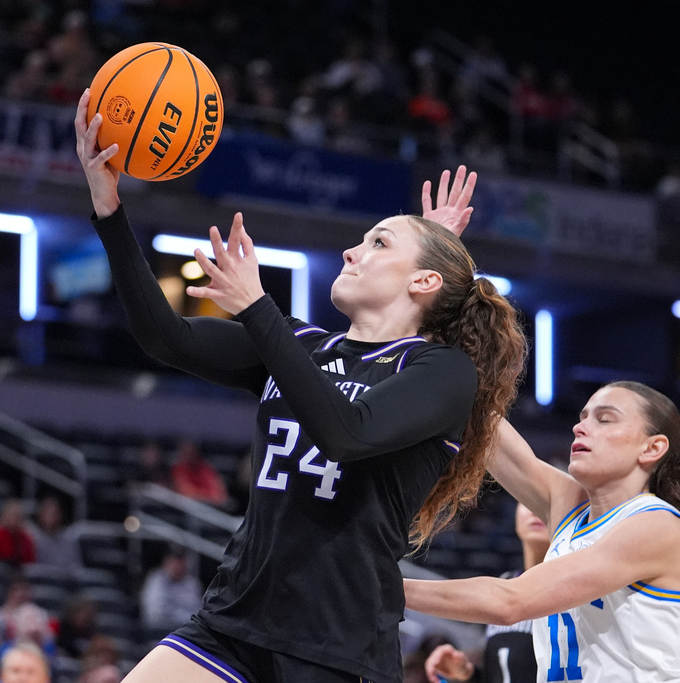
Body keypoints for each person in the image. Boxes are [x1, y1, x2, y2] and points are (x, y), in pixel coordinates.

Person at [76, 88, 525, 683]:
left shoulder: (442, 373)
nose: (351, 249)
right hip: (233, 621)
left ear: (423, 282)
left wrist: (258, 306)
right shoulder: (303, 345)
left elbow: (346, 432)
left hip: (336, 648)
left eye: (377, 242)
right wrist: (110, 211)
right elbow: (166, 338)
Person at [405, 381, 680, 682]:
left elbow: (510, 601)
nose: (581, 428)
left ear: (652, 447)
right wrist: (435, 357)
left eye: (604, 419)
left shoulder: (658, 526)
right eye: (583, 418)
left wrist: (386, 586)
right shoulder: (572, 508)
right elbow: (481, 425)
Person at [422, 503, 550, 683]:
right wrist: (466, 674)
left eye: (544, 499)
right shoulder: (503, 583)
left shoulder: (580, 591)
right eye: (526, 499)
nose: (534, 508)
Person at [139, 546, 204, 638]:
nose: (177, 565)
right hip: (158, 630)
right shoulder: (156, 579)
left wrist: (173, 612)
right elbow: (155, 612)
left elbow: (196, 613)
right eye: (174, 561)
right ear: (166, 563)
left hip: (185, 631)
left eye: (180, 562)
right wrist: (180, 614)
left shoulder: (192, 583)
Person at [168, 439, 229, 508]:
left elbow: (219, 495)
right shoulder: (177, 469)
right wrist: (206, 495)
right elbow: (186, 493)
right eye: (185, 452)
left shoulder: (205, 468)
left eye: (192, 452)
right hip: (187, 509)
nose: (189, 455)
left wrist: (204, 495)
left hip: (211, 507)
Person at [27, 497, 81, 567]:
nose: (51, 517)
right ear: (40, 515)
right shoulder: (32, 536)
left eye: (54, 513)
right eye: (47, 513)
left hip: (62, 576)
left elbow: (75, 567)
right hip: (38, 577)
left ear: (60, 515)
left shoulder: (68, 537)